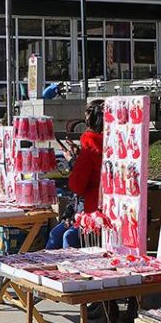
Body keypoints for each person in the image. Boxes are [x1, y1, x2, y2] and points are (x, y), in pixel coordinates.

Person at [47, 99, 104, 250]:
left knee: (68, 236)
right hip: (82, 207)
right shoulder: (96, 143)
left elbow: (81, 181)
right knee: (55, 234)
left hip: (95, 210)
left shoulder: (93, 143)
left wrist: (72, 161)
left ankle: (71, 264)